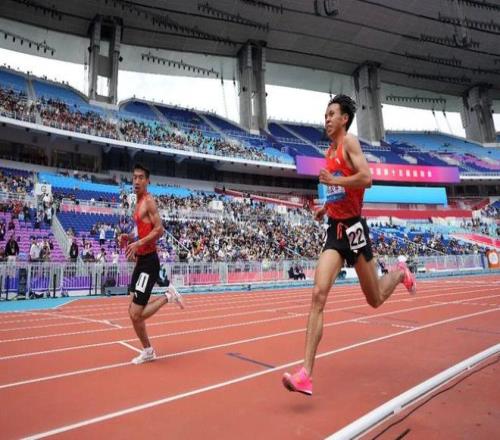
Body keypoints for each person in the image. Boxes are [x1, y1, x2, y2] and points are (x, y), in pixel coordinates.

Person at [282, 95, 416, 396]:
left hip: (355, 230)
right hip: (335, 230)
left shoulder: (349, 143)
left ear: (344, 119)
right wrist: (325, 207)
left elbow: (366, 179)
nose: (327, 119)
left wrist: (334, 181)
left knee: (375, 298)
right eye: (325, 115)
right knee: (318, 294)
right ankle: (306, 374)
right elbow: (340, 193)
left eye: (332, 114)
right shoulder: (329, 151)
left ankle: (399, 273)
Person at [121, 163, 185, 365]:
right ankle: (148, 350)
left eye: (141, 177)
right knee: (133, 310)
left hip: (149, 262)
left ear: (147, 181)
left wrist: (138, 243)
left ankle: (168, 296)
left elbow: (159, 230)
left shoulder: (149, 201)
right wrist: (130, 237)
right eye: (134, 177)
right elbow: (143, 231)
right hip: (141, 261)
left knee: (135, 314)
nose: (136, 181)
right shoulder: (137, 203)